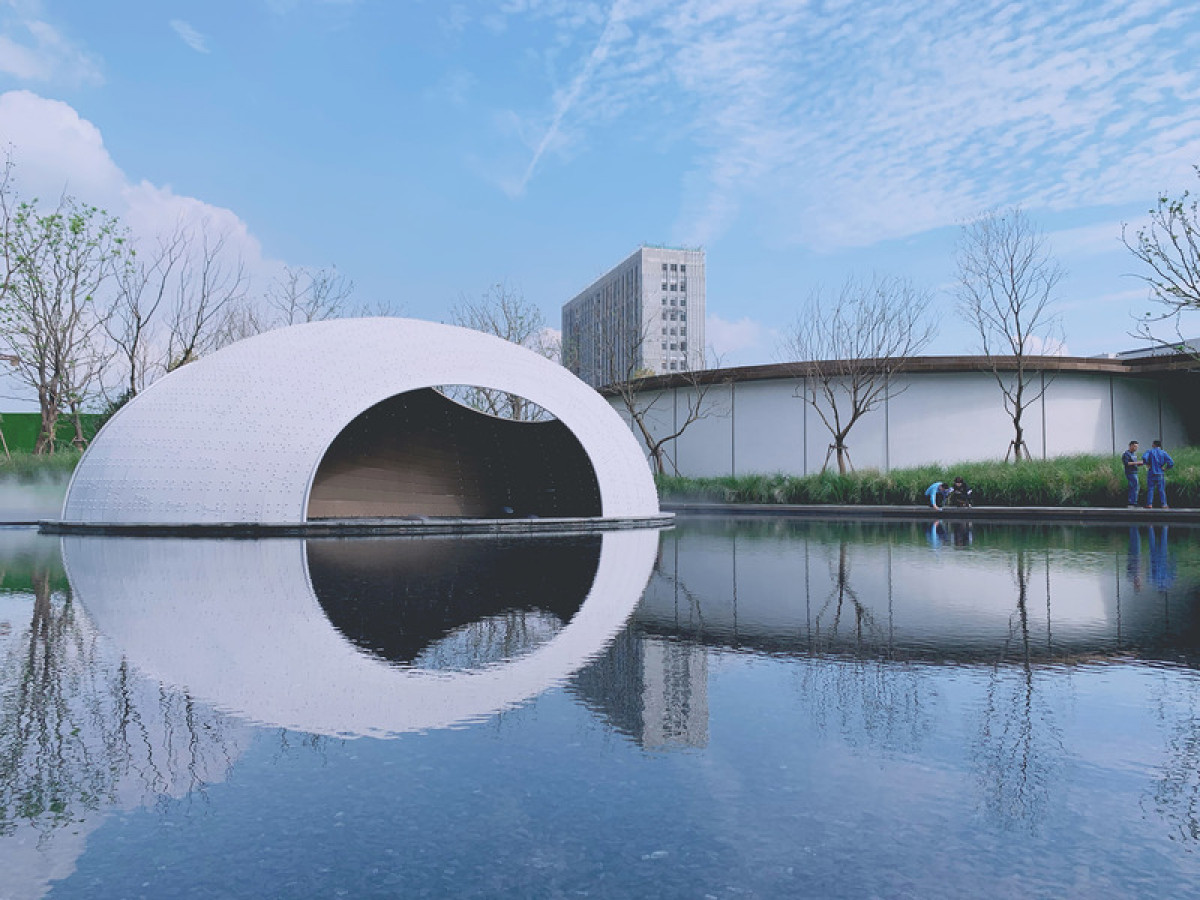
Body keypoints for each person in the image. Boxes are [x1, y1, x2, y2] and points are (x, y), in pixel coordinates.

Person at [1142, 439, 1175, 509]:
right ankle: (1164, 504)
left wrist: (1147, 463)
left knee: (1150, 489)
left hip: (1151, 472)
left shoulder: (1149, 451)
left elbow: (1144, 458)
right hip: (1160, 472)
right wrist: (1165, 468)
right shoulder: (1163, 453)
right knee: (1161, 489)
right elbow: (1171, 462)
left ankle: (1149, 504)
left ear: (1154, 444)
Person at [1121, 440, 1144, 508]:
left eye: (1137, 447)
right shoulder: (1126, 454)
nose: (1136, 448)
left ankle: (1133, 501)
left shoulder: (1134, 455)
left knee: (1135, 486)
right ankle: (1132, 502)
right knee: (1134, 486)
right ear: (1130, 446)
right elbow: (1127, 463)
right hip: (1130, 472)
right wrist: (1137, 463)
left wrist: (1140, 464)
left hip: (1135, 472)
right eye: (1134, 446)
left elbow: (1134, 463)